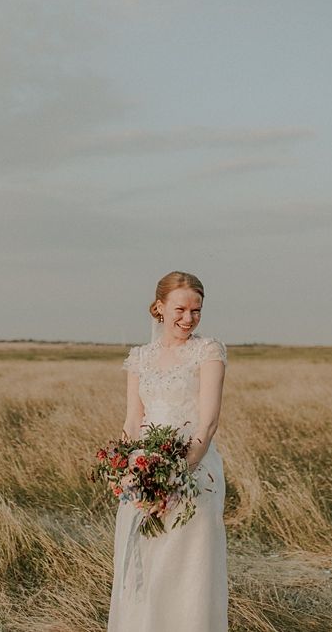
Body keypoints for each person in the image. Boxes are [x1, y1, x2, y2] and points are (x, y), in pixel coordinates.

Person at [107, 271, 228, 632]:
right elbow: (132, 421)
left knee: (187, 571)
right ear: (159, 308)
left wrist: (174, 477)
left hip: (195, 476)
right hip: (142, 474)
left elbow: (207, 425)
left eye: (197, 311)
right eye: (180, 309)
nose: (188, 319)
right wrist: (126, 469)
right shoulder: (139, 358)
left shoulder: (208, 352)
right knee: (146, 563)